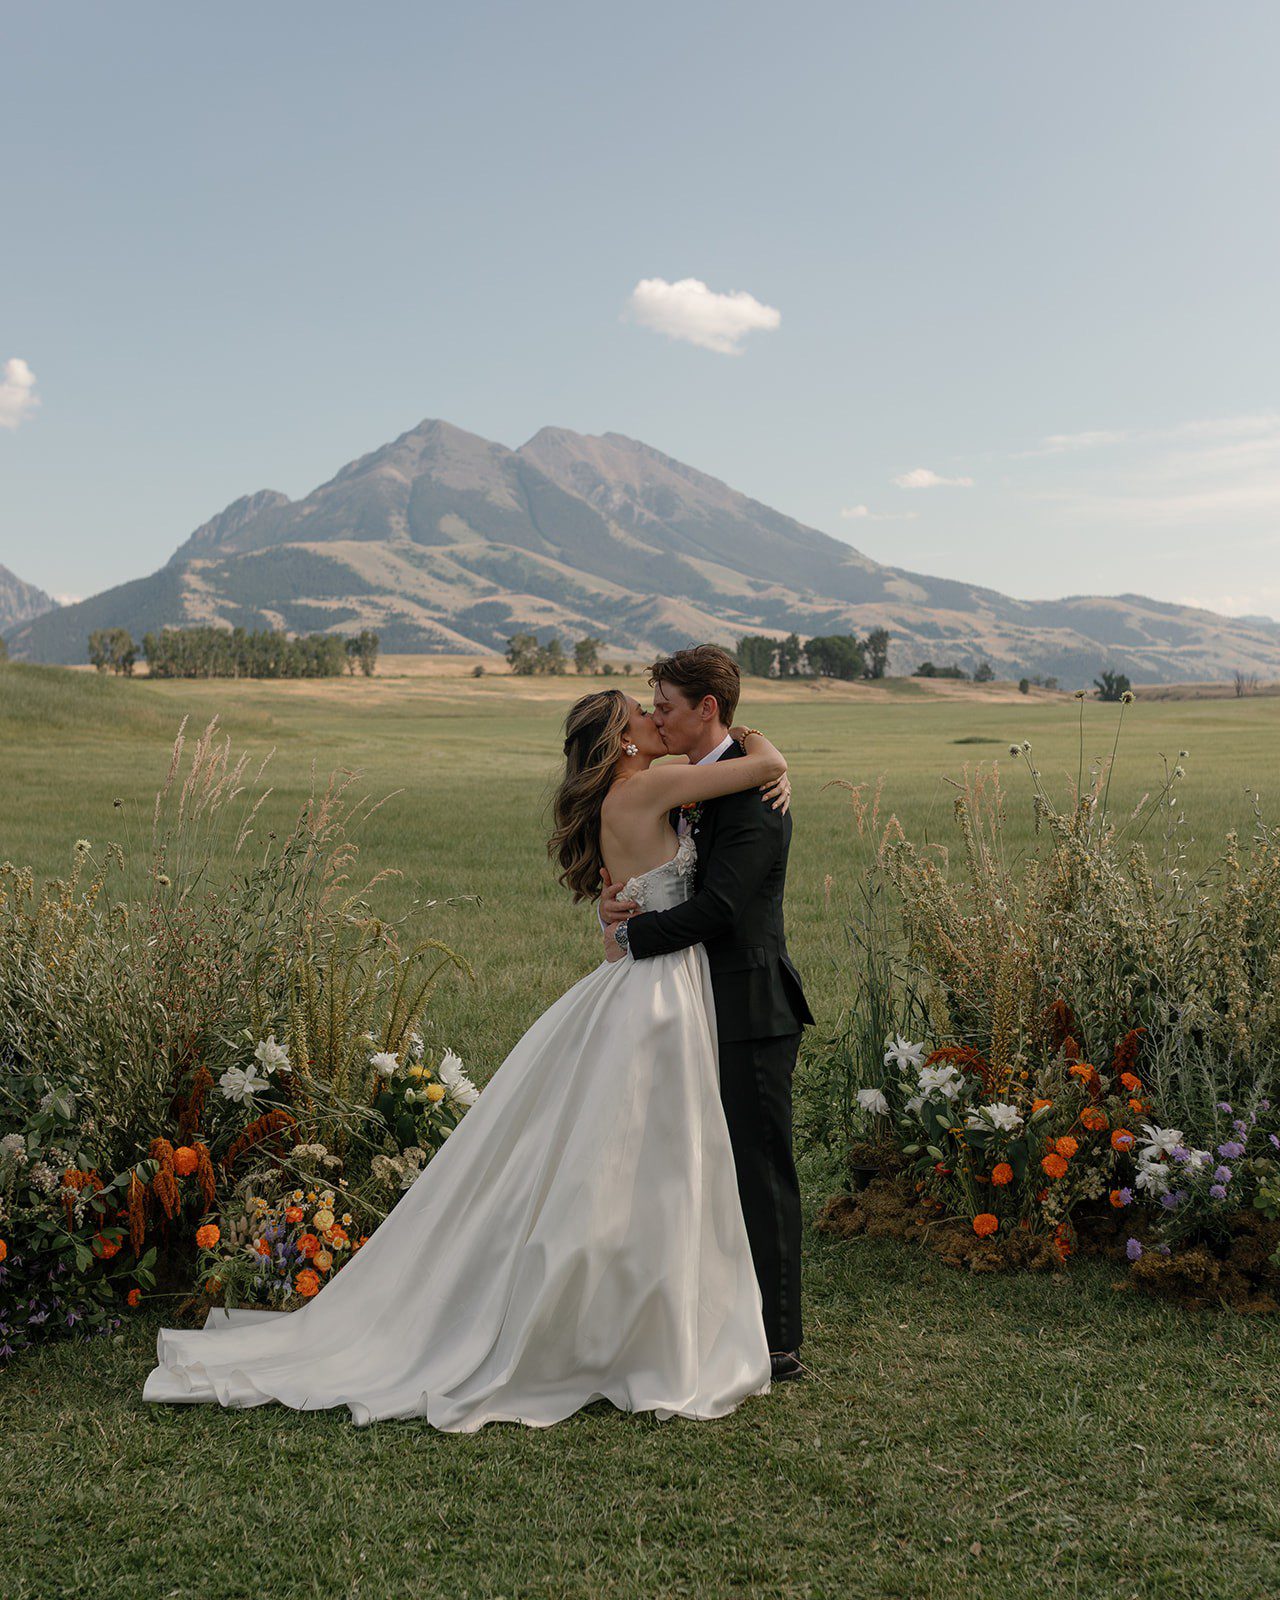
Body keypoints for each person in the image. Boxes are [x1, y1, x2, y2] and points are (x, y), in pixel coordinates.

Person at [141, 685, 795, 1430]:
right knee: (658, 1160)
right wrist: (765, 749)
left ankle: (632, 1321)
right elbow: (760, 763)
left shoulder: (632, 795)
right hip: (658, 995)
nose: (654, 716)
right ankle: (641, 1331)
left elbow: (620, 919)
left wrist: (623, 919)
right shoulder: (652, 785)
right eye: (641, 714)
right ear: (623, 744)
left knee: (631, 1160)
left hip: (643, 980)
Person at [599, 646, 813, 1382]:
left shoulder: (756, 797)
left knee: (759, 1172)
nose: (656, 715)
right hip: (691, 1004)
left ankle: (779, 1340)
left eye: (665, 705)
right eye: (649, 709)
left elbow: (721, 908)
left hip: (750, 1006)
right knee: (694, 1168)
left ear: (706, 711)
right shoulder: (700, 782)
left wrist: (632, 936)